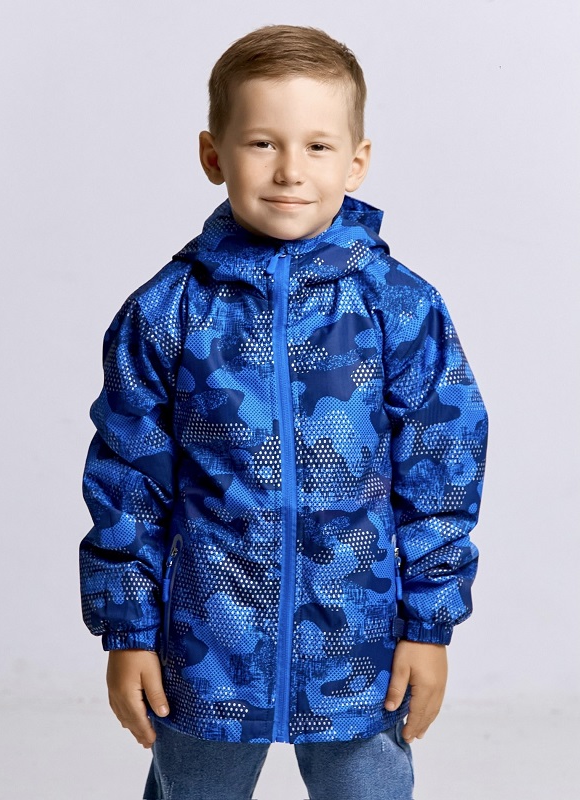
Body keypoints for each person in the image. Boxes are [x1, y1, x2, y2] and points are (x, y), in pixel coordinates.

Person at [80, 24, 488, 800]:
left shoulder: (399, 308)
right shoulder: (165, 313)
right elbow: (128, 482)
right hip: (204, 646)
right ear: (213, 155)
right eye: (262, 143)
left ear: (357, 161)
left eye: (318, 146)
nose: (290, 170)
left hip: (358, 644)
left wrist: (429, 625)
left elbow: (442, 468)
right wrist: (128, 632)